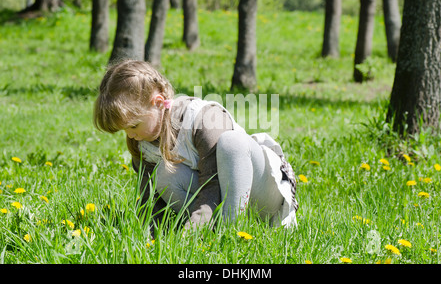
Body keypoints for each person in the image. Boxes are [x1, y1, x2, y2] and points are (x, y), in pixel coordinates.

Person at [93, 59, 298, 233]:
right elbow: (149, 197)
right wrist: (148, 233)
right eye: (125, 130)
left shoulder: (202, 119)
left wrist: (192, 232)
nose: (130, 135)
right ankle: (211, 229)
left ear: (158, 102)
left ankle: (228, 232)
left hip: (262, 193)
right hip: (217, 199)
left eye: (134, 126)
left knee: (231, 143)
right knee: (164, 174)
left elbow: (214, 184)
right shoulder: (142, 142)